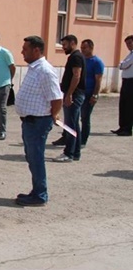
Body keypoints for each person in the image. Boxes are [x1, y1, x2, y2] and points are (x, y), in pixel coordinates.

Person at [14, 36, 63, 206]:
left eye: (25, 49)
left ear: (36, 50)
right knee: (32, 157)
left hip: (38, 122)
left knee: (36, 158)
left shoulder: (45, 70)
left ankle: (40, 194)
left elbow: (57, 98)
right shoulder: (34, 68)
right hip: (30, 121)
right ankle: (36, 191)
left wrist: (54, 115)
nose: (22, 52)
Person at [53, 34, 86, 163]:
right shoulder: (75, 56)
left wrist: (69, 94)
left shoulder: (76, 57)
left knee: (70, 125)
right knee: (74, 125)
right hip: (74, 93)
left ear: (72, 43)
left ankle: (69, 153)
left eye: (65, 44)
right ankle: (76, 152)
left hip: (75, 94)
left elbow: (76, 76)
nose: (63, 47)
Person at [79, 39, 105, 146]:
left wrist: (95, 95)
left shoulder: (97, 62)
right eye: (81, 48)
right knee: (76, 116)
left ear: (91, 48)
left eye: (85, 48)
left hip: (89, 93)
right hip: (80, 92)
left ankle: (83, 140)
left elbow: (98, 80)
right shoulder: (81, 60)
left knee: (85, 117)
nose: (83, 50)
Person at [111, 35, 133, 137]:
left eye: (130, 43)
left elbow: (124, 65)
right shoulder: (130, 54)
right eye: (127, 44)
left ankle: (127, 129)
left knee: (129, 106)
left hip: (131, 82)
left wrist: (122, 64)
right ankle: (122, 126)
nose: (128, 46)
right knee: (123, 105)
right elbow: (121, 64)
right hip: (126, 81)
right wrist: (122, 64)